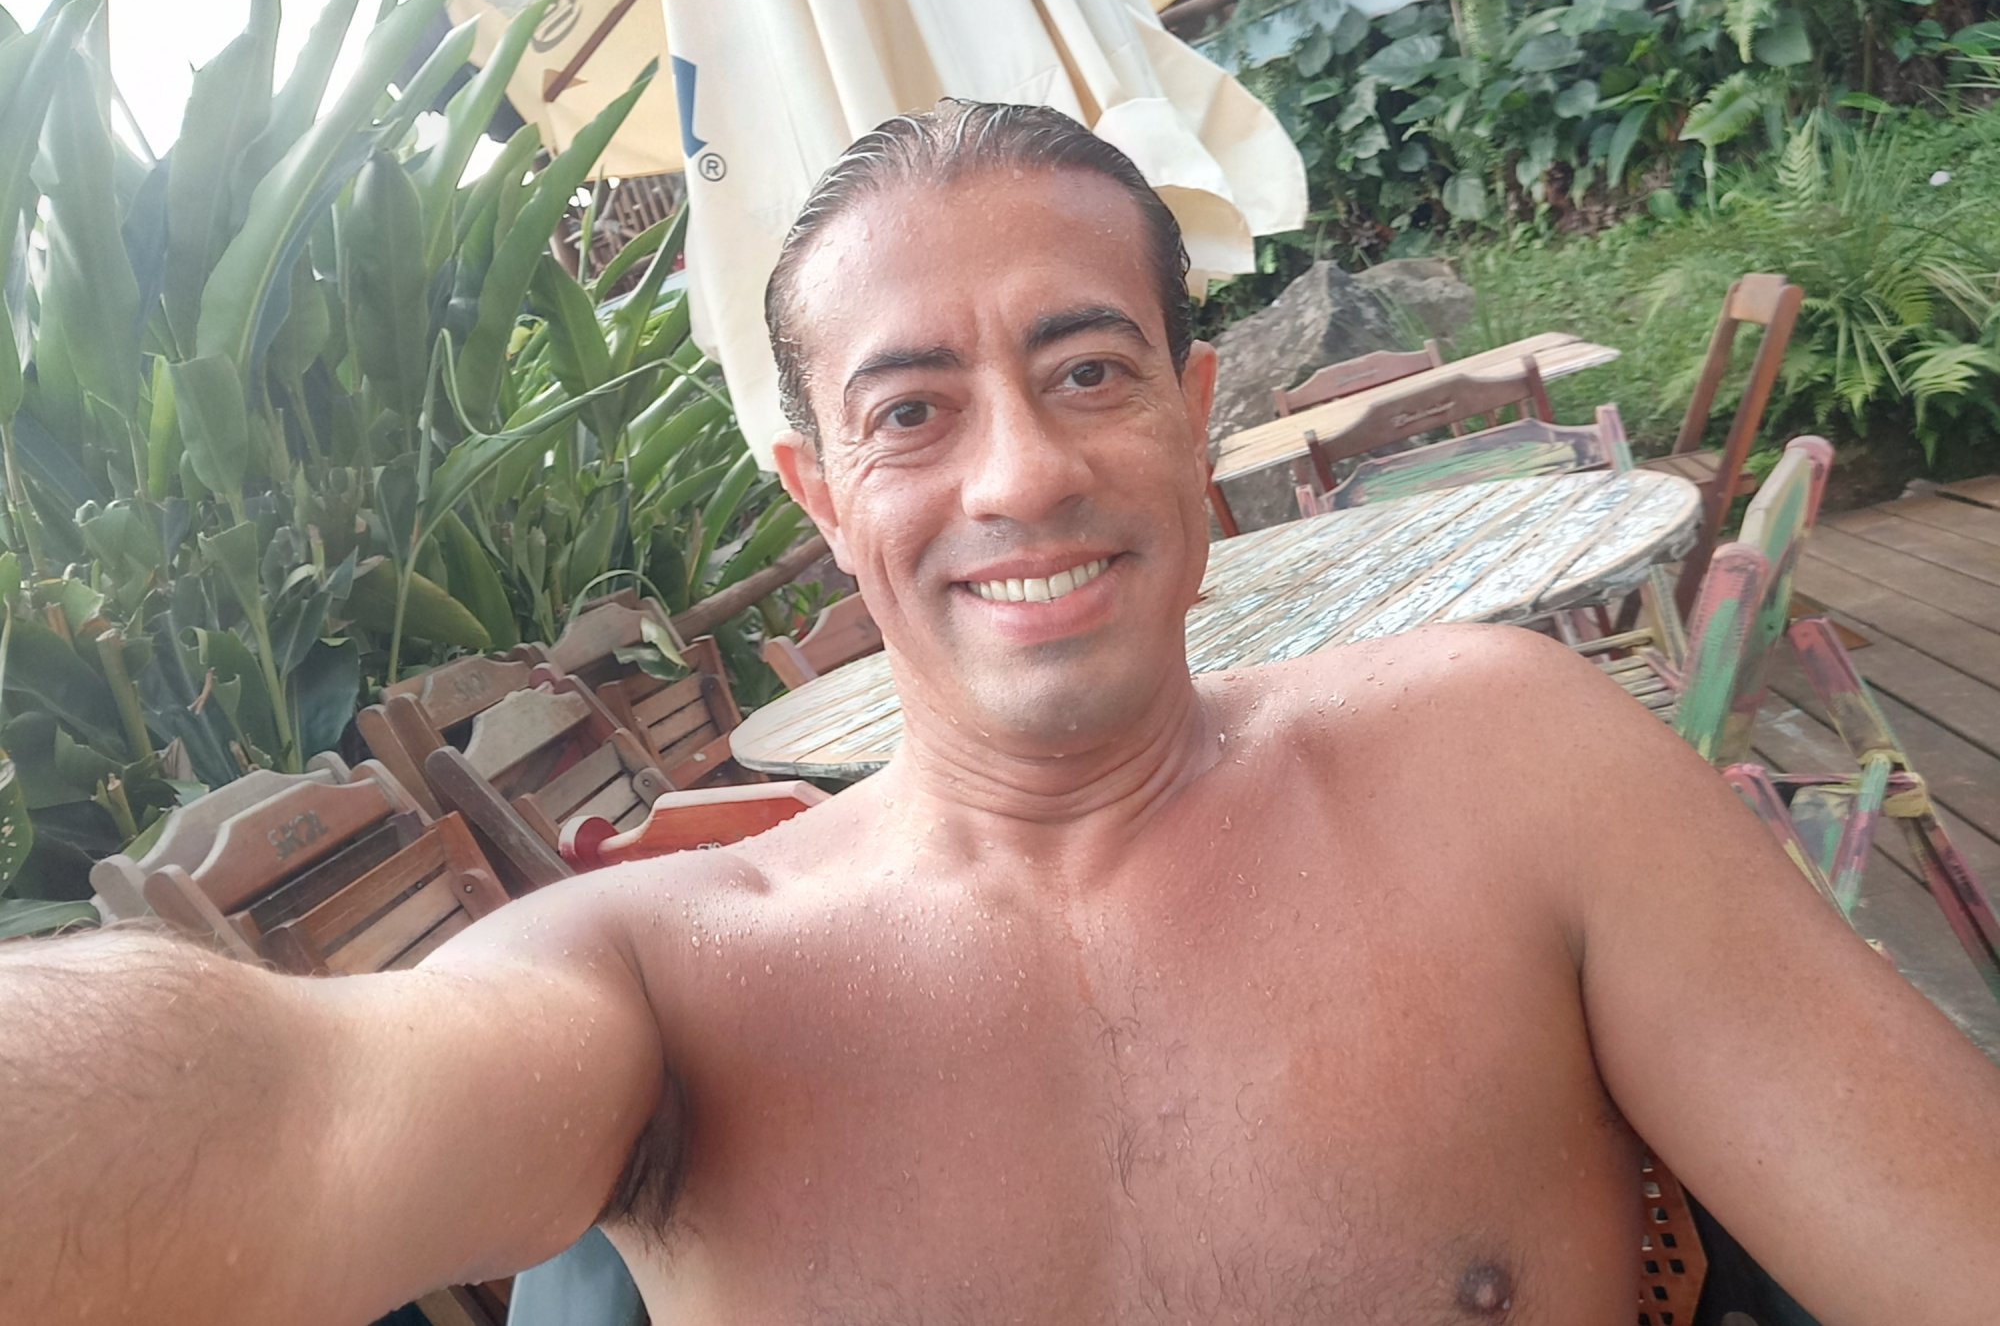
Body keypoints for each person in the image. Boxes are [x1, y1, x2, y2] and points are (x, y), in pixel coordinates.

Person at [5, 100, 1998, 1325]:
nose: (1022, 474)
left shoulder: (1510, 765)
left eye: (1088, 371)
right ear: (824, 501)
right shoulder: (664, 980)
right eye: (911, 412)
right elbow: (289, 1119)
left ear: (1194, 416)